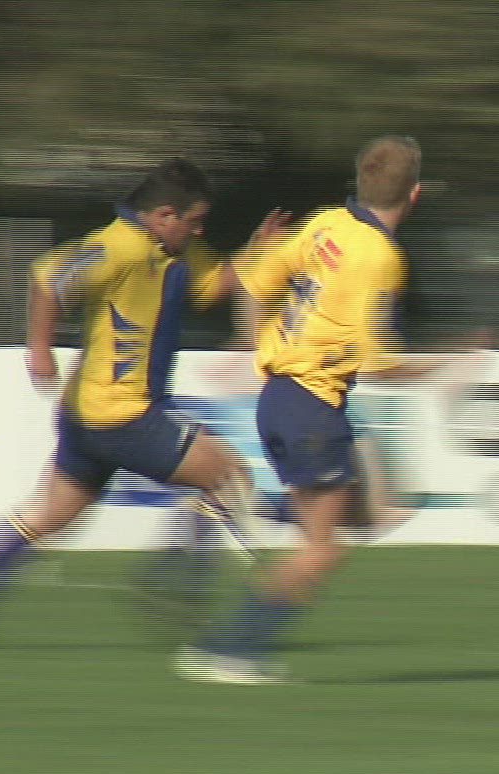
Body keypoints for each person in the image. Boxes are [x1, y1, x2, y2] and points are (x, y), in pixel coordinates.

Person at [0, 158, 283, 647]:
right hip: (123, 415)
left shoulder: (173, 250)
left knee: (51, 513)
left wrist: (256, 250)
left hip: (86, 417)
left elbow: (213, 287)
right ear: (164, 215)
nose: (200, 230)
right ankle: (170, 582)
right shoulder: (120, 246)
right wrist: (39, 348)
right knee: (229, 475)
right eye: (195, 221)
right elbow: (48, 278)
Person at [178, 135, 469, 684]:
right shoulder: (381, 258)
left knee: (353, 520)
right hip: (313, 405)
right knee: (321, 550)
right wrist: (449, 366)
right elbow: (379, 362)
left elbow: (250, 282)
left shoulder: (325, 223)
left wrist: (257, 322)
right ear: (415, 194)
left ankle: (252, 521)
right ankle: (232, 650)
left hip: (277, 398)